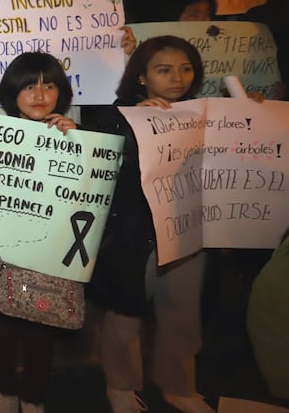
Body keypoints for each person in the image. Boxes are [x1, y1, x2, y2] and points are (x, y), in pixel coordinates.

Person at [89, 36, 216, 413]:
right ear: (142, 77)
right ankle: (121, 385)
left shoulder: (205, 112)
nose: (177, 78)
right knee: (126, 315)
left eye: (186, 68)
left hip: (189, 231)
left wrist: (253, 115)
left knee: (183, 313)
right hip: (135, 235)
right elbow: (99, 167)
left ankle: (179, 386)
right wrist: (137, 123)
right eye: (164, 70)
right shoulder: (118, 116)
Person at [0, 52, 80, 413]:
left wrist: (78, 144)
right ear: (12, 91)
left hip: (51, 256)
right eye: (29, 85)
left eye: (49, 85)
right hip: (1, 254)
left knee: (41, 332)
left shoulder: (75, 135)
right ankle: (6, 392)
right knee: (4, 329)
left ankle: (34, 397)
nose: (40, 94)